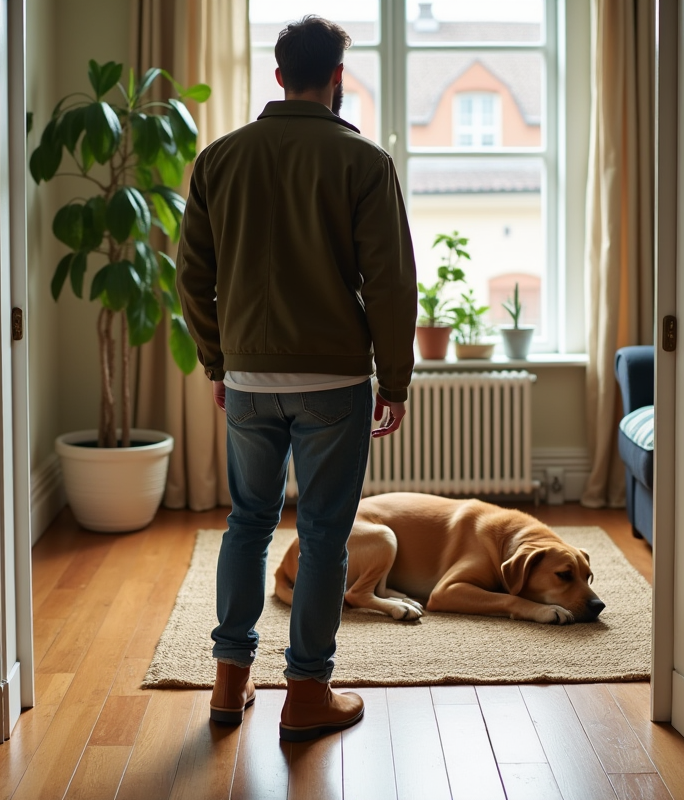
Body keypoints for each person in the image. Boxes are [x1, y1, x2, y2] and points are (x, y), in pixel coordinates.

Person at [175, 14, 418, 742]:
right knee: (322, 535)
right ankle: (307, 691)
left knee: (247, 524)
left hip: (249, 378)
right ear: (337, 79)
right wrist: (396, 380)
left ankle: (229, 683)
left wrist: (220, 361)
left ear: (278, 75)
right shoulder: (364, 162)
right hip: (333, 383)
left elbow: (192, 277)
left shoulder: (219, 158)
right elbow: (392, 285)